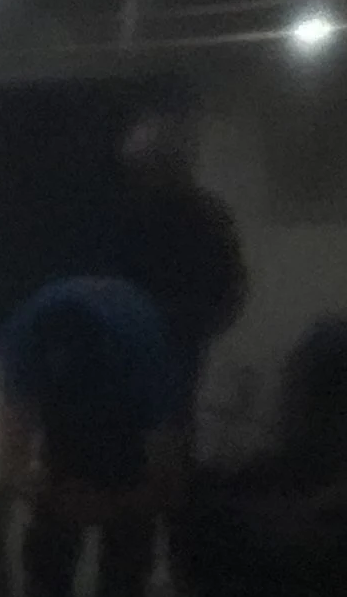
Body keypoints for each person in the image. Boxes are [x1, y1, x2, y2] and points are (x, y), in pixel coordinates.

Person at [0, 275, 185, 597]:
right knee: (48, 551)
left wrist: (120, 503)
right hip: (65, 446)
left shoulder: (146, 351)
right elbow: (11, 461)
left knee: (129, 549)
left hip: (128, 422)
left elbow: (169, 476)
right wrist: (44, 493)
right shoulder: (22, 343)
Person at [102, 113, 247, 428]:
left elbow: (228, 284)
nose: (145, 177)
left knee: (173, 422)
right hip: (132, 338)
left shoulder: (207, 217)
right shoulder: (127, 217)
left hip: (181, 337)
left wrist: (191, 324)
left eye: (152, 166)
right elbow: (110, 280)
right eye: (139, 169)